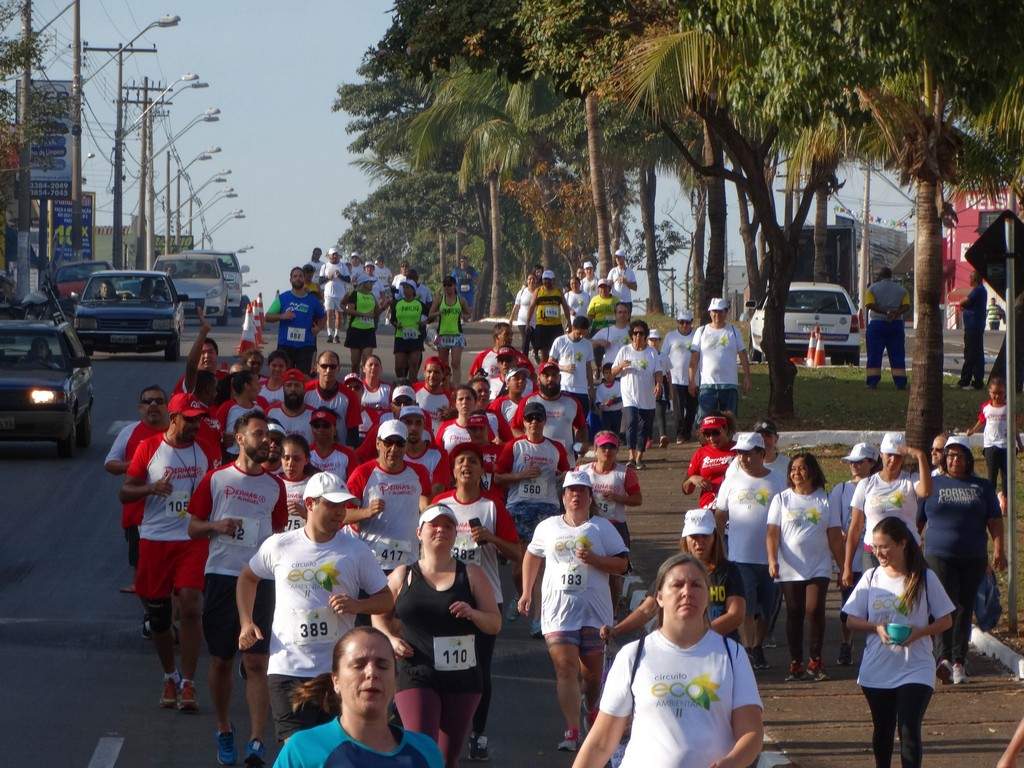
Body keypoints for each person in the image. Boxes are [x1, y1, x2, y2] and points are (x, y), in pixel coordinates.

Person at [237, 472, 393, 742]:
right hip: (287, 667)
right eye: (332, 504)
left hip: (337, 672)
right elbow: (247, 578)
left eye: (343, 505)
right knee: (297, 749)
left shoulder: (356, 551)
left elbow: (386, 599)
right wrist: (246, 622)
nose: (340, 512)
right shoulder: (280, 544)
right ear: (310, 504)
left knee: (334, 752)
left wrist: (357, 605)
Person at [572, 553, 763, 768]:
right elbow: (601, 742)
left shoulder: (732, 655)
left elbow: (752, 733)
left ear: (707, 596)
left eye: (696, 585)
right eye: (677, 585)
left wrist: (732, 762)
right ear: (659, 597)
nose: (687, 592)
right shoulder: (633, 655)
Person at [187, 411, 288, 766]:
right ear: (240, 438)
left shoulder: (275, 486)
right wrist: (215, 525)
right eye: (259, 434)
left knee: (257, 661)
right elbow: (193, 527)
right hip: (222, 576)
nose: (266, 441)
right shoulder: (216, 479)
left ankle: (257, 741)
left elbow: (277, 533)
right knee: (221, 661)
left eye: (269, 436)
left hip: (261, 580)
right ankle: (224, 728)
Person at [372, 504, 501, 768]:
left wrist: (474, 614)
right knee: (421, 752)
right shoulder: (403, 574)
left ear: (455, 534)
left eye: (448, 526)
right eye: (434, 525)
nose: (441, 530)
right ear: (419, 532)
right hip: (416, 674)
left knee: (446, 758)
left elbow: (494, 624)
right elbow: (378, 614)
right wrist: (391, 640)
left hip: (463, 678)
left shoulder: (472, 574)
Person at [119, 393, 222, 712]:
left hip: (192, 538)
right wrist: (150, 488)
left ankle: (188, 683)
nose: (195, 425)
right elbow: (125, 491)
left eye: (198, 420)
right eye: (189, 420)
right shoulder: (149, 448)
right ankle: (170, 676)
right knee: (159, 618)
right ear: (174, 418)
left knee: (191, 606)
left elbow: (217, 489)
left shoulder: (206, 449)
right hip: (155, 539)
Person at [519, 471, 629, 752]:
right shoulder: (548, 527)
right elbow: (532, 554)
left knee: (591, 676)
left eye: (582, 491)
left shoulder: (602, 527)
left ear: (590, 497)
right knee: (565, 668)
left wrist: (595, 560)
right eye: (571, 491)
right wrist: (526, 591)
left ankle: (590, 707)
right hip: (558, 611)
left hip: (594, 611)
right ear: (563, 497)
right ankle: (571, 731)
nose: (576, 496)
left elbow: (623, 565)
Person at [431, 442, 521, 761]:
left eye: (472, 461)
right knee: (439, 665)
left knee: (479, 670)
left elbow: (517, 552)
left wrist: (491, 538)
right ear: (453, 470)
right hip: (444, 596)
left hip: (485, 599)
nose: (466, 465)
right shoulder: (440, 506)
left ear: (482, 470)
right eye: (460, 461)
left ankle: (478, 734)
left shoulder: (492, 506)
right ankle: (441, 729)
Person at [842, 517, 954, 768]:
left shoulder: (924, 577)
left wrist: (921, 632)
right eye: (874, 547)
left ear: (902, 543)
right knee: (883, 729)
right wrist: (875, 626)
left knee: (908, 726)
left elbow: (946, 619)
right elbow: (851, 620)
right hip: (877, 669)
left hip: (916, 667)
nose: (878, 553)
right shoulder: (871, 577)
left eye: (884, 546)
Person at [273, 626, 444, 767]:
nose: (371, 673)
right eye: (358, 665)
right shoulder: (302, 751)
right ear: (336, 681)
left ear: (395, 680)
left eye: (382, 666)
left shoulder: (426, 751)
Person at [917, 435, 1006, 684]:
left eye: (961, 456)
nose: (956, 460)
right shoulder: (932, 484)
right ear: (944, 458)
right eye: (951, 455)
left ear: (968, 460)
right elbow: (918, 522)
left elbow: (994, 521)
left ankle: (959, 661)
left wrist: (998, 550)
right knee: (945, 606)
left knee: (965, 608)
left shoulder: (982, 486)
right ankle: (942, 659)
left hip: (973, 556)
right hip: (939, 555)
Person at [603, 509, 745, 643]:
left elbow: (735, 616)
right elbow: (646, 610)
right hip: (683, 649)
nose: (699, 542)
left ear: (715, 537)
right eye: (694, 536)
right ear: (685, 539)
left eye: (705, 536)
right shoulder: (672, 572)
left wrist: (698, 635)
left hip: (720, 649)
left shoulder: (730, 572)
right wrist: (616, 630)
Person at [494, 400, 571, 636]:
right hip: (519, 507)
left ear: (544, 421)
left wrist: (565, 476)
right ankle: (521, 593)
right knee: (520, 567)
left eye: (538, 418)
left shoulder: (555, 448)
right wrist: (521, 475)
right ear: (524, 422)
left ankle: (539, 618)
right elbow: (497, 477)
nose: (534, 422)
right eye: (530, 418)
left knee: (541, 566)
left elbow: (567, 473)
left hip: (547, 508)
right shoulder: (514, 446)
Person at [767, 453, 845, 682]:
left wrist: (843, 567)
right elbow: (772, 533)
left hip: (819, 565)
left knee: (814, 609)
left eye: (801, 468)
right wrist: (772, 559)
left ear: (812, 470)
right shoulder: (781, 499)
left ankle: (815, 660)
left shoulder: (826, 499)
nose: (796, 473)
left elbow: (835, 537)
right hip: (789, 566)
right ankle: (796, 662)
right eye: (793, 469)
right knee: (794, 612)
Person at [713, 432, 787, 669]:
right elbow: (720, 517)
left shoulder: (778, 481)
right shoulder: (731, 481)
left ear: (761, 453)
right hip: (739, 557)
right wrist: (720, 548)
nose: (742, 459)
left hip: (771, 558)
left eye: (747, 454)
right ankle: (747, 649)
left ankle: (758, 645)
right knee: (746, 607)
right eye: (739, 454)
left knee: (767, 609)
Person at [104, 385, 170, 626]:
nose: (153, 405)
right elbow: (110, 463)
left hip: (174, 514)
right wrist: (135, 465)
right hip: (138, 513)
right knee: (142, 568)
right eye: (148, 401)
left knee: (171, 568)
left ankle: (167, 616)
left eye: (158, 401)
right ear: (140, 407)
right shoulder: (129, 432)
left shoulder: (175, 432)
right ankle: (151, 616)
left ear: (167, 407)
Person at [842, 432, 932, 590]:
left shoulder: (911, 480)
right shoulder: (866, 484)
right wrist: (847, 566)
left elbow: (925, 492)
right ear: (881, 455)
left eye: (898, 456)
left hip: (906, 550)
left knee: (908, 595)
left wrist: (920, 456)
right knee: (875, 595)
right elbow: (855, 527)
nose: (893, 460)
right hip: (874, 552)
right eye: (889, 455)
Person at [346, 420, 432, 572]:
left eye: (400, 443)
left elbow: (426, 500)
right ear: (378, 444)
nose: (394, 449)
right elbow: (341, 514)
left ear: (406, 445)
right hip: (373, 563)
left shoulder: (420, 472)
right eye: (388, 442)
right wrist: (366, 512)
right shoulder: (363, 473)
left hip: (409, 562)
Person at [829, 442, 881, 667]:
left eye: (860, 462)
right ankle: (846, 642)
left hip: (873, 556)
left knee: (875, 604)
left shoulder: (878, 486)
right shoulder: (841, 490)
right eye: (852, 462)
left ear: (872, 463)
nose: (855, 466)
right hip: (848, 556)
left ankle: (875, 645)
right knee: (847, 605)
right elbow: (833, 521)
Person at [510, 360, 589, 462]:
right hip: (536, 461)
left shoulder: (572, 402)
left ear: (560, 378)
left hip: (566, 462)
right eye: (546, 375)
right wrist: (529, 442)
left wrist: (582, 443)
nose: (550, 379)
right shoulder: (528, 401)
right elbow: (514, 428)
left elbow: (581, 426)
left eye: (554, 375)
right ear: (539, 378)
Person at [688, 298, 752, 420]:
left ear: (725, 312)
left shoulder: (734, 332)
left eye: (720, 311)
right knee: (704, 420)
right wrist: (691, 380)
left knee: (729, 421)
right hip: (707, 385)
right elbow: (694, 358)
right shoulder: (701, 332)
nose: (717, 314)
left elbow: (743, 355)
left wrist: (747, 377)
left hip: (729, 385)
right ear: (710, 312)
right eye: (714, 311)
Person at [611, 320, 663, 469]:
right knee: (631, 422)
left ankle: (640, 457)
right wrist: (621, 366)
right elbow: (613, 372)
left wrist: (658, 384)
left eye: (641, 333)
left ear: (645, 335)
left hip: (647, 395)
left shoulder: (651, 352)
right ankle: (631, 457)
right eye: (635, 333)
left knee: (644, 427)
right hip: (629, 394)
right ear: (631, 335)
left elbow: (658, 371)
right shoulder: (625, 351)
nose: (638, 336)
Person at [967, 376, 1022, 513]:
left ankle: (1006, 501)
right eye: (994, 393)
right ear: (989, 392)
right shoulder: (986, 407)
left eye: (1001, 393)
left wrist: (1020, 444)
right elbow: (981, 421)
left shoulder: (1009, 407)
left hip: (1007, 446)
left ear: (1005, 393)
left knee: (1007, 476)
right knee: (992, 475)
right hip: (991, 446)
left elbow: (1014, 428)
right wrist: (973, 431)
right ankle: (990, 502)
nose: (997, 396)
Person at [264, 266, 327, 376]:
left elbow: (323, 316)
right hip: (285, 345)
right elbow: (267, 317)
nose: (298, 278)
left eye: (300, 276)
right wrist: (282, 316)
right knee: (284, 376)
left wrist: (318, 328)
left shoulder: (312, 300)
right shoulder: (283, 298)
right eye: (295, 276)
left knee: (303, 377)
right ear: (291, 280)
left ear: (304, 279)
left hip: (306, 345)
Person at [864, 266, 911, 389]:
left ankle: (872, 382)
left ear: (880, 276)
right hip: (896, 325)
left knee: (874, 354)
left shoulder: (872, 289)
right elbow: (907, 306)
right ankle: (900, 382)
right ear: (891, 276)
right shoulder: (902, 290)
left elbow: (869, 304)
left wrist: (886, 312)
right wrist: (895, 313)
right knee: (897, 354)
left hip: (877, 325)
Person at [304, 350, 362, 447]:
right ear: (317, 367)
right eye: (324, 366)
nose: (328, 370)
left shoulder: (349, 395)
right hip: (309, 451)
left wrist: (350, 452)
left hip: (339, 451)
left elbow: (353, 430)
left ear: (338, 368)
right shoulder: (305, 391)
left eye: (332, 367)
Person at [682, 414, 736, 508]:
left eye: (715, 432)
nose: (711, 438)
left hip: (734, 505)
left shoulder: (739, 450)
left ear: (725, 429)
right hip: (708, 507)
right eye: (707, 434)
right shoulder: (700, 453)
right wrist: (692, 479)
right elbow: (686, 491)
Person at [549, 316, 596, 419]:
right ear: (573, 328)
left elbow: (588, 367)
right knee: (564, 420)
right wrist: (563, 368)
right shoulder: (560, 341)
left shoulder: (588, 345)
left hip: (582, 390)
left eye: (584, 334)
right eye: (579, 333)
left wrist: (591, 389)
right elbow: (550, 362)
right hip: (564, 388)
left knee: (581, 421)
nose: (581, 336)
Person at [662, 310, 698, 443]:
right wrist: (665, 373)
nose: (684, 325)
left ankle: (687, 431)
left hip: (693, 379)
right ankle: (680, 434)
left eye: (687, 322)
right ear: (677, 322)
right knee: (678, 408)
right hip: (676, 378)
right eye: (681, 322)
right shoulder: (670, 336)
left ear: (691, 323)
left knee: (692, 408)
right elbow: (664, 355)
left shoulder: (696, 335)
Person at [428, 276, 471, 384]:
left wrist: (465, 316)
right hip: (442, 335)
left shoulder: (460, 300)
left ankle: (456, 387)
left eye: (449, 285)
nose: (447, 287)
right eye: (445, 285)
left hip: (457, 335)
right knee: (443, 364)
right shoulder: (439, 299)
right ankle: (445, 385)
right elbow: (430, 315)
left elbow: (468, 314)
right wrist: (438, 313)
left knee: (455, 363)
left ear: (454, 285)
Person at [526, 270, 573, 363]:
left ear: (553, 280)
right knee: (544, 352)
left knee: (557, 352)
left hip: (556, 326)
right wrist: (528, 322)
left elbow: (565, 307)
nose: (547, 281)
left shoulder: (558, 291)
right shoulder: (538, 291)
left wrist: (569, 321)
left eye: (549, 279)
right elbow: (531, 307)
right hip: (542, 326)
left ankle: (556, 370)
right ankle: (543, 370)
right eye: (545, 279)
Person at [343, 273, 382, 374]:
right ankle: (355, 380)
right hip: (355, 330)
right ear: (364, 283)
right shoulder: (354, 294)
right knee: (355, 362)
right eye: (370, 282)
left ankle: (365, 381)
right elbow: (350, 310)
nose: (372, 284)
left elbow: (377, 311)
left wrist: (384, 307)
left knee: (367, 360)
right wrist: (364, 314)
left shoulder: (371, 295)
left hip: (369, 330)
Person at [957, 269, 988, 390]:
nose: (969, 279)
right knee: (972, 353)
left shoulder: (978, 290)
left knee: (973, 353)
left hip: (974, 326)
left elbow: (964, 301)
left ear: (974, 278)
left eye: (970, 277)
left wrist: (962, 303)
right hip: (972, 326)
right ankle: (968, 380)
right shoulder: (979, 290)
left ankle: (971, 381)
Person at [266, 368, 315, 443]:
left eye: (297, 385)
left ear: (304, 389)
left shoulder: (313, 415)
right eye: (289, 385)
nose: (293, 389)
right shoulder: (270, 412)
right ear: (283, 388)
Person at [392, 280, 427, 380]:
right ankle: (401, 382)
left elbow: (430, 315)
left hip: (416, 337)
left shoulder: (419, 304)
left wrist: (424, 322)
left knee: (414, 363)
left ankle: (412, 384)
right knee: (399, 366)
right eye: (404, 288)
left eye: (407, 288)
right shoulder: (398, 304)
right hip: (401, 337)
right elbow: (393, 319)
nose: (405, 290)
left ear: (413, 290)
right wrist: (396, 324)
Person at [320, 248, 347, 344]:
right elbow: (320, 281)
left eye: (336, 254)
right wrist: (328, 277)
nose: (335, 256)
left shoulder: (342, 266)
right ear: (329, 256)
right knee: (329, 314)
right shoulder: (325, 266)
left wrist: (339, 275)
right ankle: (329, 335)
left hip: (340, 294)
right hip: (328, 294)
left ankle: (336, 335)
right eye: (333, 255)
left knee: (338, 315)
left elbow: (348, 279)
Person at [510, 273, 538, 358]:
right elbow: (516, 306)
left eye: (533, 279)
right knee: (525, 339)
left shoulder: (539, 292)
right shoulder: (522, 292)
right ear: (527, 281)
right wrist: (511, 319)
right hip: (522, 321)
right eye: (529, 279)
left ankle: (536, 356)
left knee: (536, 342)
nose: (531, 281)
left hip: (534, 322)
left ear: (536, 281)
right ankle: (524, 359)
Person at [594, 362, 623, 437]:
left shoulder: (619, 385)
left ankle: (616, 443)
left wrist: (612, 402)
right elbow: (598, 401)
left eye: (610, 373)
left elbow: (621, 397)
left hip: (616, 412)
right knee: (606, 432)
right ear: (603, 374)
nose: (608, 375)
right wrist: (599, 405)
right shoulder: (600, 388)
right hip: (606, 413)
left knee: (616, 432)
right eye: (606, 373)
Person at [606, 249, 638, 315]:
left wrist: (626, 282)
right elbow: (608, 284)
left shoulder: (630, 271)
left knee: (626, 320)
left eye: (619, 257)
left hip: (627, 301)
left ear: (624, 258)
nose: (617, 259)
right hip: (615, 301)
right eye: (616, 257)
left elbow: (635, 287)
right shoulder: (613, 271)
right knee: (615, 319)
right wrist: (610, 283)